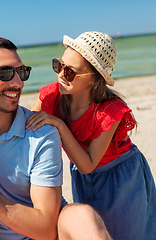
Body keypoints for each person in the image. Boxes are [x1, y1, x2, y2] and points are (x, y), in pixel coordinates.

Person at [0, 36, 112, 240]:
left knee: (81, 215)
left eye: (21, 72)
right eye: (6, 73)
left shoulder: (41, 134)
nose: (18, 83)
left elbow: (45, 229)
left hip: (51, 233)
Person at [25, 31, 156, 240]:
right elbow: (22, 126)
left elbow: (88, 164)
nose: (60, 74)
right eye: (58, 65)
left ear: (95, 78)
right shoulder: (52, 95)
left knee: (127, 233)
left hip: (120, 177)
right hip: (83, 175)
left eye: (70, 72)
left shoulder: (109, 111)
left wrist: (59, 124)